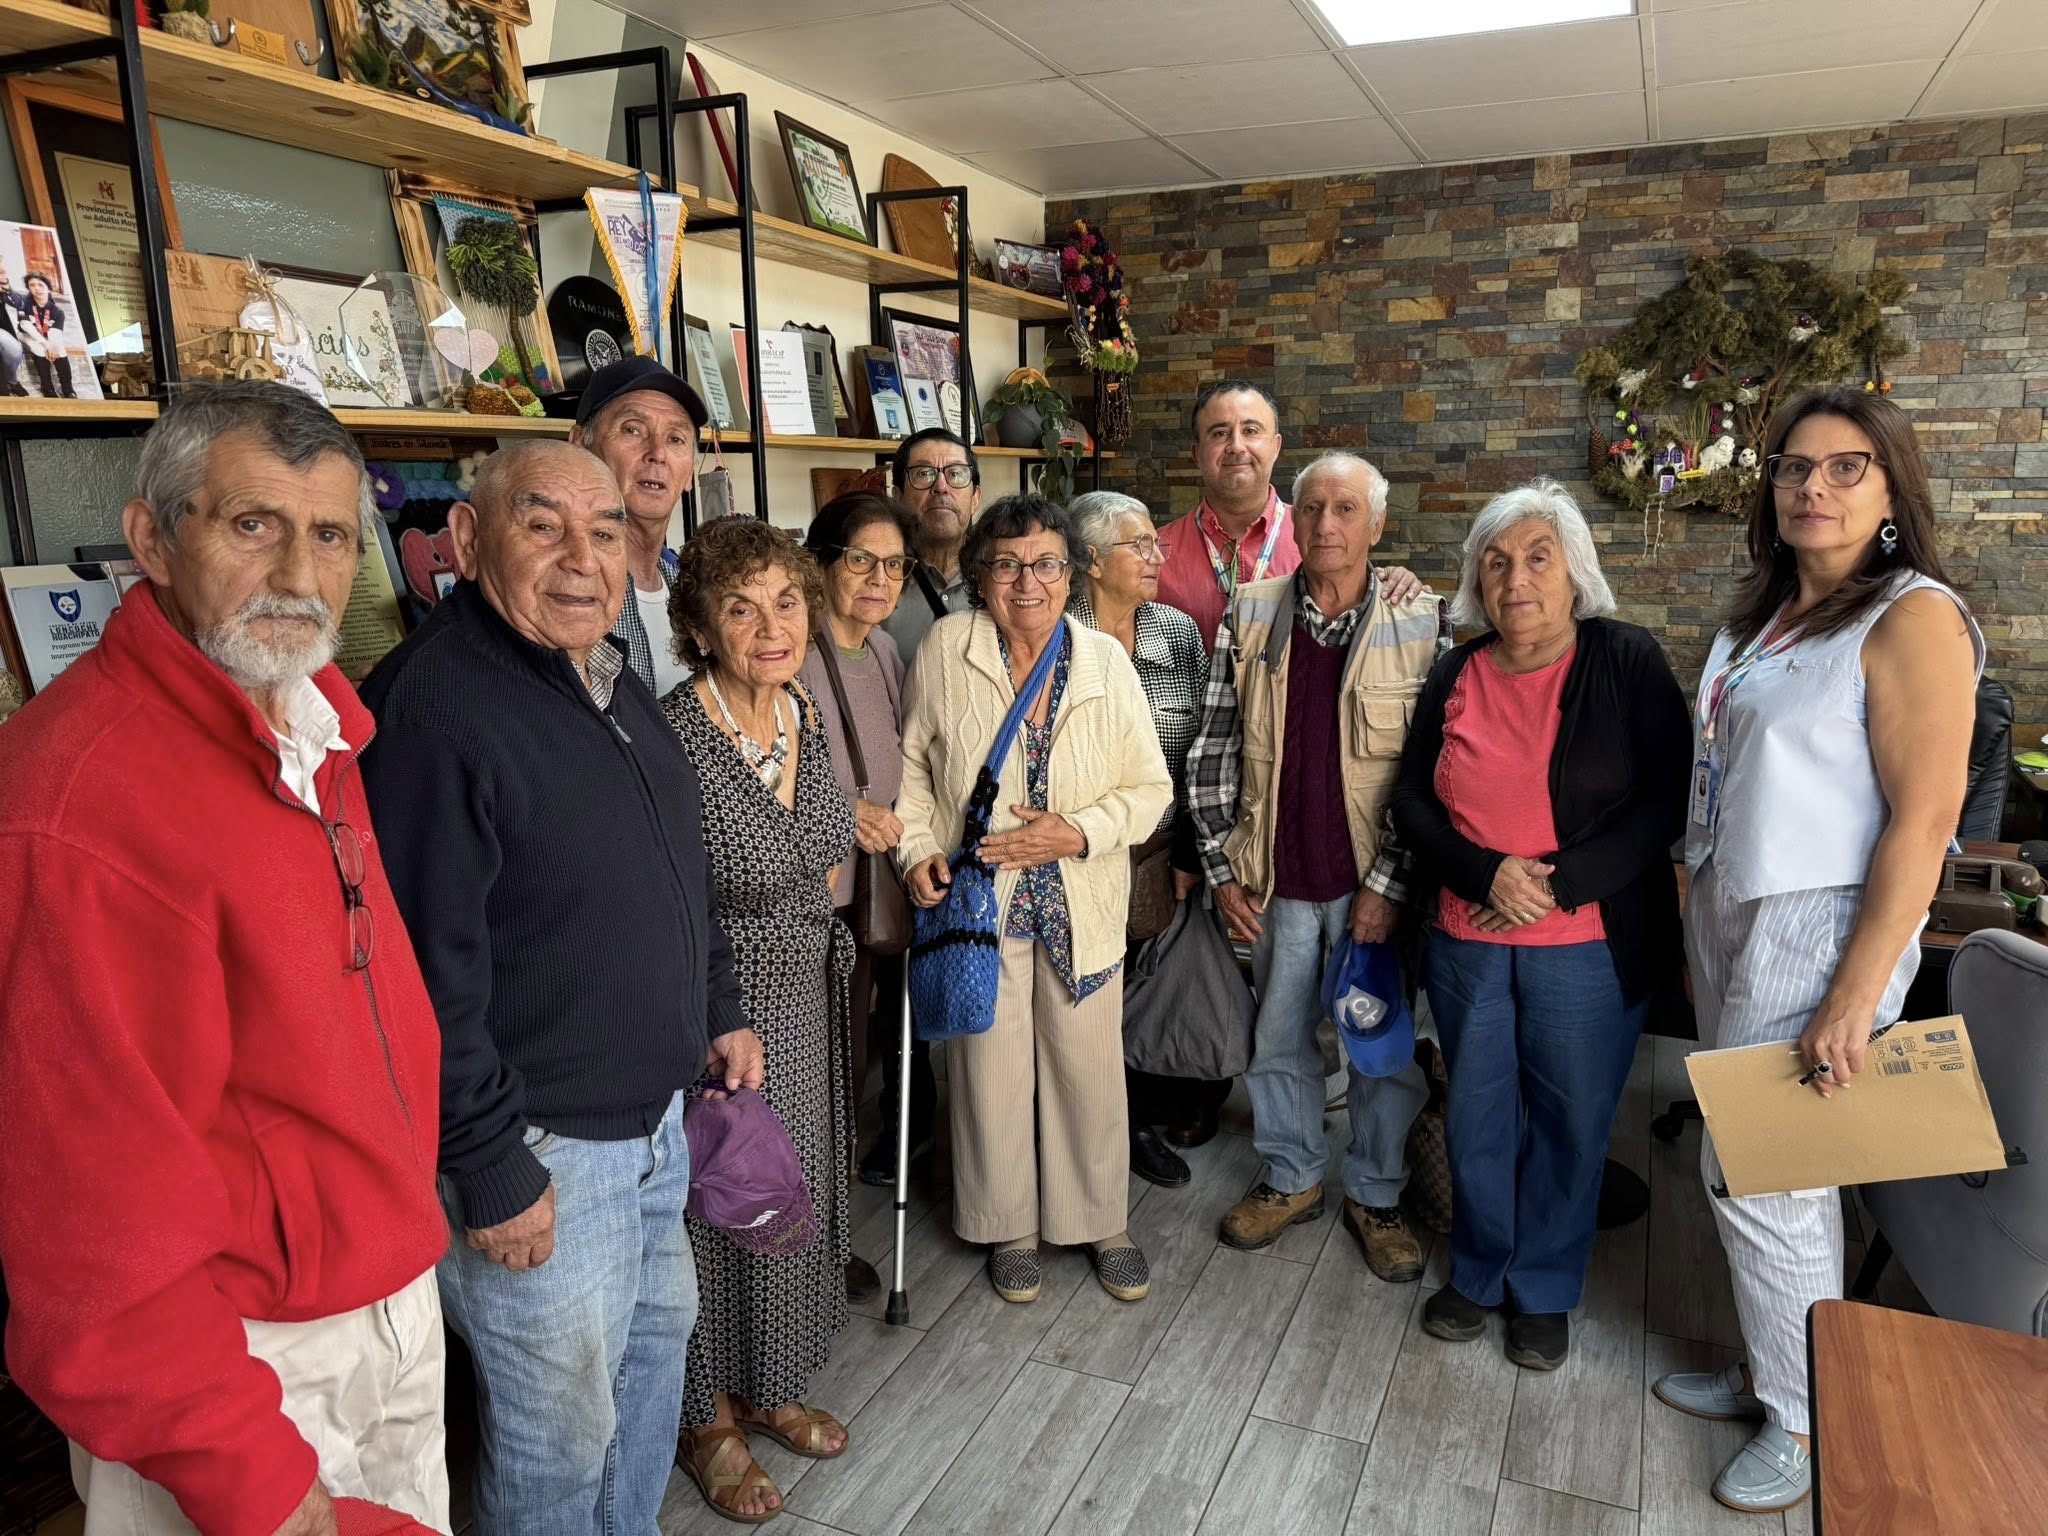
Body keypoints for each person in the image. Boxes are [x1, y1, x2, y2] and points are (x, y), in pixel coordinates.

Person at [0, 382, 449, 1535]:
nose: (300, 573)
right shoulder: (76, 804)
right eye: (254, 524)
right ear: (152, 536)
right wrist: (246, 1469)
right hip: (244, 1370)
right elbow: (88, 1229)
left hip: (386, 1294)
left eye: (332, 534)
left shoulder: (311, 720)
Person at [359, 440, 763, 1536]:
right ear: (466, 540)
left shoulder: (603, 672)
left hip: (648, 1124)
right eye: (543, 527)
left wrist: (717, 1002)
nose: (581, 559)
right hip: (539, 1152)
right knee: (555, 1436)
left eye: (604, 533)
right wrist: (485, 1159)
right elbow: (416, 972)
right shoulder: (433, 710)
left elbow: (671, 860)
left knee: (641, 1375)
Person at [1651, 388, 1981, 1513]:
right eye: (1794, 467)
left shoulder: (1912, 616)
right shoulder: (1764, 619)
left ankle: (1801, 1417)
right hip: (1732, 908)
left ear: (1890, 491)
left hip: (1818, 918)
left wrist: (1853, 992)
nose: (1813, 488)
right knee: (1759, 1164)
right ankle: (1770, 1366)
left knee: (1759, 1168)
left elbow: (1922, 819)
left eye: (1845, 469)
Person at [1389, 478, 1689, 1371]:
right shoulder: (1455, 668)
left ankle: (1545, 1288)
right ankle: (1478, 1271)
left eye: (1536, 557)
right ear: (1476, 584)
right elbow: (1410, 798)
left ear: (1574, 574)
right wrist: (1485, 871)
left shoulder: (1627, 658)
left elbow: (1662, 802)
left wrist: (1554, 886)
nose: (1514, 577)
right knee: (1477, 1112)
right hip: (1465, 936)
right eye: (1495, 561)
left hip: (1585, 945)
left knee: (1570, 1119)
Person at [897, 494, 1172, 1305]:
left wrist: (1077, 831)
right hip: (981, 900)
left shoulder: (1103, 661)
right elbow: (913, 766)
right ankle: (1005, 1220)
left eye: (1046, 562)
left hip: (1079, 894)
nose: (1028, 581)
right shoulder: (949, 648)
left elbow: (1150, 788)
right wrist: (916, 850)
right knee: (988, 1066)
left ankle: (1099, 1218)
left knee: (1088, 1067)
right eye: (1007, 564)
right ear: (980, 575)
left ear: (1070, 573)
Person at [1187, 451, 1440, 1279]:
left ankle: (1375, 1189)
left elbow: (1434, 771)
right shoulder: (1252, 612)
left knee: (1380, 1048)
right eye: (1313, 509)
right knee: (1277, 1039)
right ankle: (1292, 1175)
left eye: (1345, 510)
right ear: (1292, 521)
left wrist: (1390, 886)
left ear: (1376, 525)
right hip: (1278, 879)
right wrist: (1222, 866)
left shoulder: (1422, 620)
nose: (1327, 525)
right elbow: (1215, 745)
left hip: (1375, 887)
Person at [663, 517, 856, 1524]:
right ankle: (706, 1420)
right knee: (717, 1208)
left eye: (786, 601)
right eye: (741, 607)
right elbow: (661, 898)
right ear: (699, 623)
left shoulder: (802, 716)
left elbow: (818, 847)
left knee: (793, 1193)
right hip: (720, 1017)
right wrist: (710, 1011)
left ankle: (770, 1382)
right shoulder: (672, 733)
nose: (771, 625)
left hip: (808, 1000)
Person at [798, 491, 933, 1290]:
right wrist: (845, 810)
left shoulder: (882, 650)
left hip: (871, 897)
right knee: (814, 1079)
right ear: (821, 562)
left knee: (849, 1076)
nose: (880, 579)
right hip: (815, 898)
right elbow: (754, 761)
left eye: (895, 565)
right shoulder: (794, 647)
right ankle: (805, 1248)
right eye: (861, 560)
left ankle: (829, 1233)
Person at [1067, 489, 1219, 1187]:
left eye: (1156, 543)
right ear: (1092, 561)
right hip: (1073, 856)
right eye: (1140, 545)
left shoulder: (1176, 633)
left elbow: (1200, 749)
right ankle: (1079, 1134)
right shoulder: (1054, 634)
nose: (1158, 555)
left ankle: (1127, 1125)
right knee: (1078, 997)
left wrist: (1189, 852)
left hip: (1155, 855)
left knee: (1135, 992)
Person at [570, 355, 708, 699]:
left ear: (690, 472)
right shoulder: (563, 591)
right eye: (632, 429)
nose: (657, 453)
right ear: (579, 444)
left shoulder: (695, 589)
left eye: (676, 439)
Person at [880, 427, 979, 660]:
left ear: (976, 499)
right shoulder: (877, 577)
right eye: (924, 473)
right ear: (897, 497)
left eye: (956, 474)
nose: (941, 487)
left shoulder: (1001, 576)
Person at [21, 272, 76, 398]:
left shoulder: (57, 312)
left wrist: (53, 346)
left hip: (47, 337)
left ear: (48, 288)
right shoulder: (24, 303)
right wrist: (46, 344)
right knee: (39, 349)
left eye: (40, 285)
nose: (36, 288)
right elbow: (26, 326)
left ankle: (68, 389)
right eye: (32, 285)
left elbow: (55, 334)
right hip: (27, 335)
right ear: (28, 288)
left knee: (60, 350)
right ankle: (47, 387)